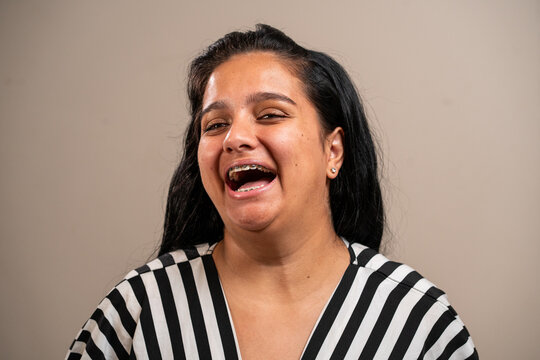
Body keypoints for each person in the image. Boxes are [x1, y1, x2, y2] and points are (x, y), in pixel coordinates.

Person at [66, 24, 478, 359]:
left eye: (270, 114)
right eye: (214, 124)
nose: (234, 138)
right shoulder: (139, 308)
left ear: (332, 150)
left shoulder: (421, 323)